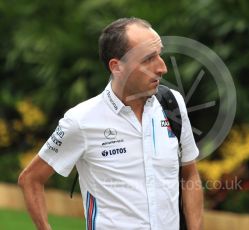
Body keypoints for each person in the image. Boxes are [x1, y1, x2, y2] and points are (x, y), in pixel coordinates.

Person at [18, 17, 203, 230]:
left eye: (159, 54)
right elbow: (31, 179)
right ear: (117, 66)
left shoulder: (173, 103)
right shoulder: (81, 120)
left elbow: (189, 174)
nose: (162, 67)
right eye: (148, 58)